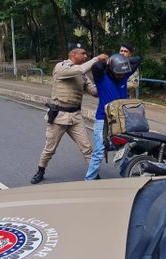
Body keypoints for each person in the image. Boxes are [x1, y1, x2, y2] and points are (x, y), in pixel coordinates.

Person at [30, 44, 108, 184]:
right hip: (59, 116)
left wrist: (105, 80)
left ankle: (94, 175)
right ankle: (40, 171)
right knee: (50, 149)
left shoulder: (82, 75)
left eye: (86, 54)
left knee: (87, 148)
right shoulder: (61, 67)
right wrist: (96, 59)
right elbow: (79, 69)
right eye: (83, 53)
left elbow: (95, 92)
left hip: (76, 117)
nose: (85, 56)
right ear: (73, 55)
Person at [84, 53, 141, 181]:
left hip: (120, 120)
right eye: (118, 73)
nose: (121, 76)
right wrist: (109, 60)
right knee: (99, 151)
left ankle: (127, 175)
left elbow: (137, 59)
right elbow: (97, 66)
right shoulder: (101, 77)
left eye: (122, 73)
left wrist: (121, 60)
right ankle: (88, 181)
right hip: (102, 119)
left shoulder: (124, 74)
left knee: (123, 149)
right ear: (111, 69)